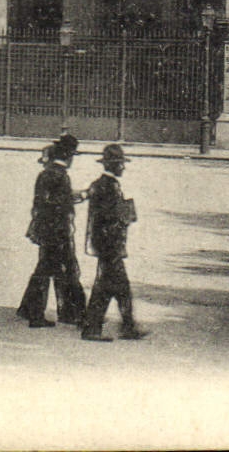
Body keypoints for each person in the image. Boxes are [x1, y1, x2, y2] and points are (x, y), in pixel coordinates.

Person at [17, 134, 87, 328]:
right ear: (68, 156)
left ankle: (33, 311)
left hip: (47, 229)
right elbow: (58, 202)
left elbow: (45, 201)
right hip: (57, 231)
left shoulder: (47, 173)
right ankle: (71, 314)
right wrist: (79, 197)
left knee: (50, 269)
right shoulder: (60, 175)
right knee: (65, 269)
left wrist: (73, 197)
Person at [80, 143, 148, 342]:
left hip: (104, 243)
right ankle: (93, 329)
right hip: (109, 244)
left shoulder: (99, 184)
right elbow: (110, 217)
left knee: (118, 287)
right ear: (113, 165)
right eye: (120, 164)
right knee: (107, 287)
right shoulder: (109, 187)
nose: (123, 167)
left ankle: (126, 327)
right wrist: (126, 215)